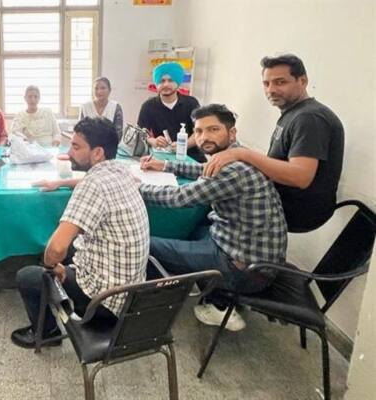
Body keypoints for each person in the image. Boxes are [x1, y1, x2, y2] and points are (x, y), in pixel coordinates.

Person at [139, 104, 287, 331]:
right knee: (191, 227)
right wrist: (165, 165)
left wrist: (138, 187)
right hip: (248, 253)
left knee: (144, 244)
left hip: (243, 271)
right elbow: (204, 169)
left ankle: (148, 313)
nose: (204, 137)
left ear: (232, 132)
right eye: (198, 131)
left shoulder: (232, 169)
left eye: (213, 129)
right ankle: (214, 296)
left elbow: (179, 198)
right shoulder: (233, 156)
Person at [11, 117, 149, 348]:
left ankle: (46, 333)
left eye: (76, 147)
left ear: (97, 153)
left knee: (29, 273)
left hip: (104, 303)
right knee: (69, 251)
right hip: (131, 293)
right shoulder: (122, 171)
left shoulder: (92, 186)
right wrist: (61, 183)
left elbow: (56, 248)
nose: (69, 152)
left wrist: (52, 267)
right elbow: (93, 180)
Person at [203, 55, 344, 232]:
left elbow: (300, 177)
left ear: (303, 81)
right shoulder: (294, 113)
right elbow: (279, 161)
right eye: (266, 83)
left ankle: (225, 256)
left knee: (205, 202)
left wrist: (242, 154)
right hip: (277, 199)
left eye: (280, 82)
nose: (271, 90)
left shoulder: (309, 118)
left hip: (296, 212)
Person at [137, 62, 204, 162]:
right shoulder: (148, 106)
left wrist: (184, 145)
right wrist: (153, 141)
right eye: (162, 81)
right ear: (156, 84)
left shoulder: (191, 103)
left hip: (191, 157)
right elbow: (141, 133)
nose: (166, 84)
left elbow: (201, 132)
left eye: (170, 80)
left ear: (178, 82)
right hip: (162, 158)